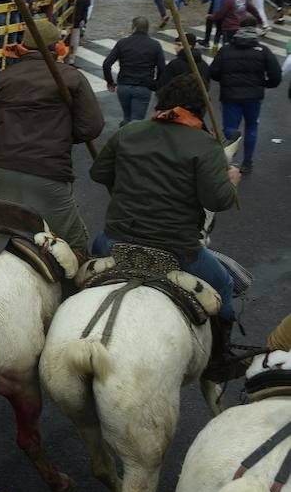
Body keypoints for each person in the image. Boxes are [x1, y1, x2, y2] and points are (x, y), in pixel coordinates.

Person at [89, 74, 241, 374]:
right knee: (225, 283)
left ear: (162, 102)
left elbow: (99, 174)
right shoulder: (205, 145)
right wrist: (231, 180)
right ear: (200, 107)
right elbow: (218, 200)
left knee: (87, 261)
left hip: (115, 241)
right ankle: (219, 359)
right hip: (177, 248)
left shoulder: (129, 132)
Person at [0, 19, 103, 256]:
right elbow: (91, 127)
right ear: (56, 47)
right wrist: (61, 135)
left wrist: (4, 136)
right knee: (76, 247)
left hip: (1, 172)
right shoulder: (72, 77)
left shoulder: (3, 77)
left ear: (24, 46)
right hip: (50, 176)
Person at [209, 16, 282, 173]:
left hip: (230, 96)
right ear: (255, 29)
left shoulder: (226, 49)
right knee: (251, 127)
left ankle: (228, 156)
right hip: (253, 98)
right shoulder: (263, 51)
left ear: (238, 29)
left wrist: (225, 80)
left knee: (229, 128)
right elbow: (276, 76)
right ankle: (247, 162)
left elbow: (213, 72)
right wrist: (264, 84)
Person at [102, 17, 163, 125]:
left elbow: (107, 64)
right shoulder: (155, 45)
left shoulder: (122, 43)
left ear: (133, 27)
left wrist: (110, 82)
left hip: (124, 85)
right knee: (136, 122)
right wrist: (156, 84)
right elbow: (162, 68)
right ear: (147, 29)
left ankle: (122, 137)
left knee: (127, 117)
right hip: (144, 86)